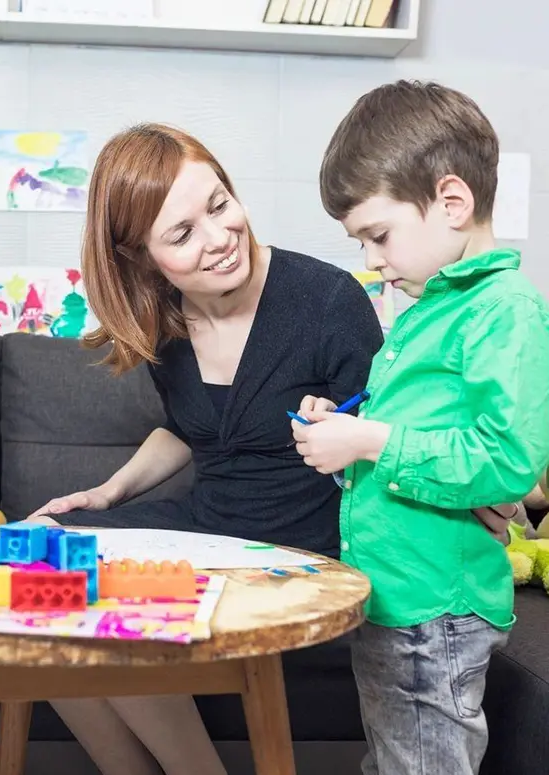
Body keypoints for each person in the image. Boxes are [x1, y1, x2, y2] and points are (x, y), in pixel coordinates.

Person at [23, 122, 386, 775]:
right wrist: (109, 491)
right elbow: (192, 428)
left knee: (109, 604)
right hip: (209, 526)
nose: (219, 239)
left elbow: (382, 436)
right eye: (182, 233)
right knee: (34, 562)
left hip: (302, 543)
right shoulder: (164, 317)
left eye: (219, 205)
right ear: (138, 257)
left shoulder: (329, 300)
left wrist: (338, 430)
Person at [292, 79, 549, 775]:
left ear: (451, 202)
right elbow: (427, 433)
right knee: (394, 758)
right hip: (397, 591)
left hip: (435, 606)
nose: (372, 258)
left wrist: (371, 440)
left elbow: (507, 461)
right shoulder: (428, 306)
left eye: (378, 235)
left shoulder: (505, 310)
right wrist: (348, 426)